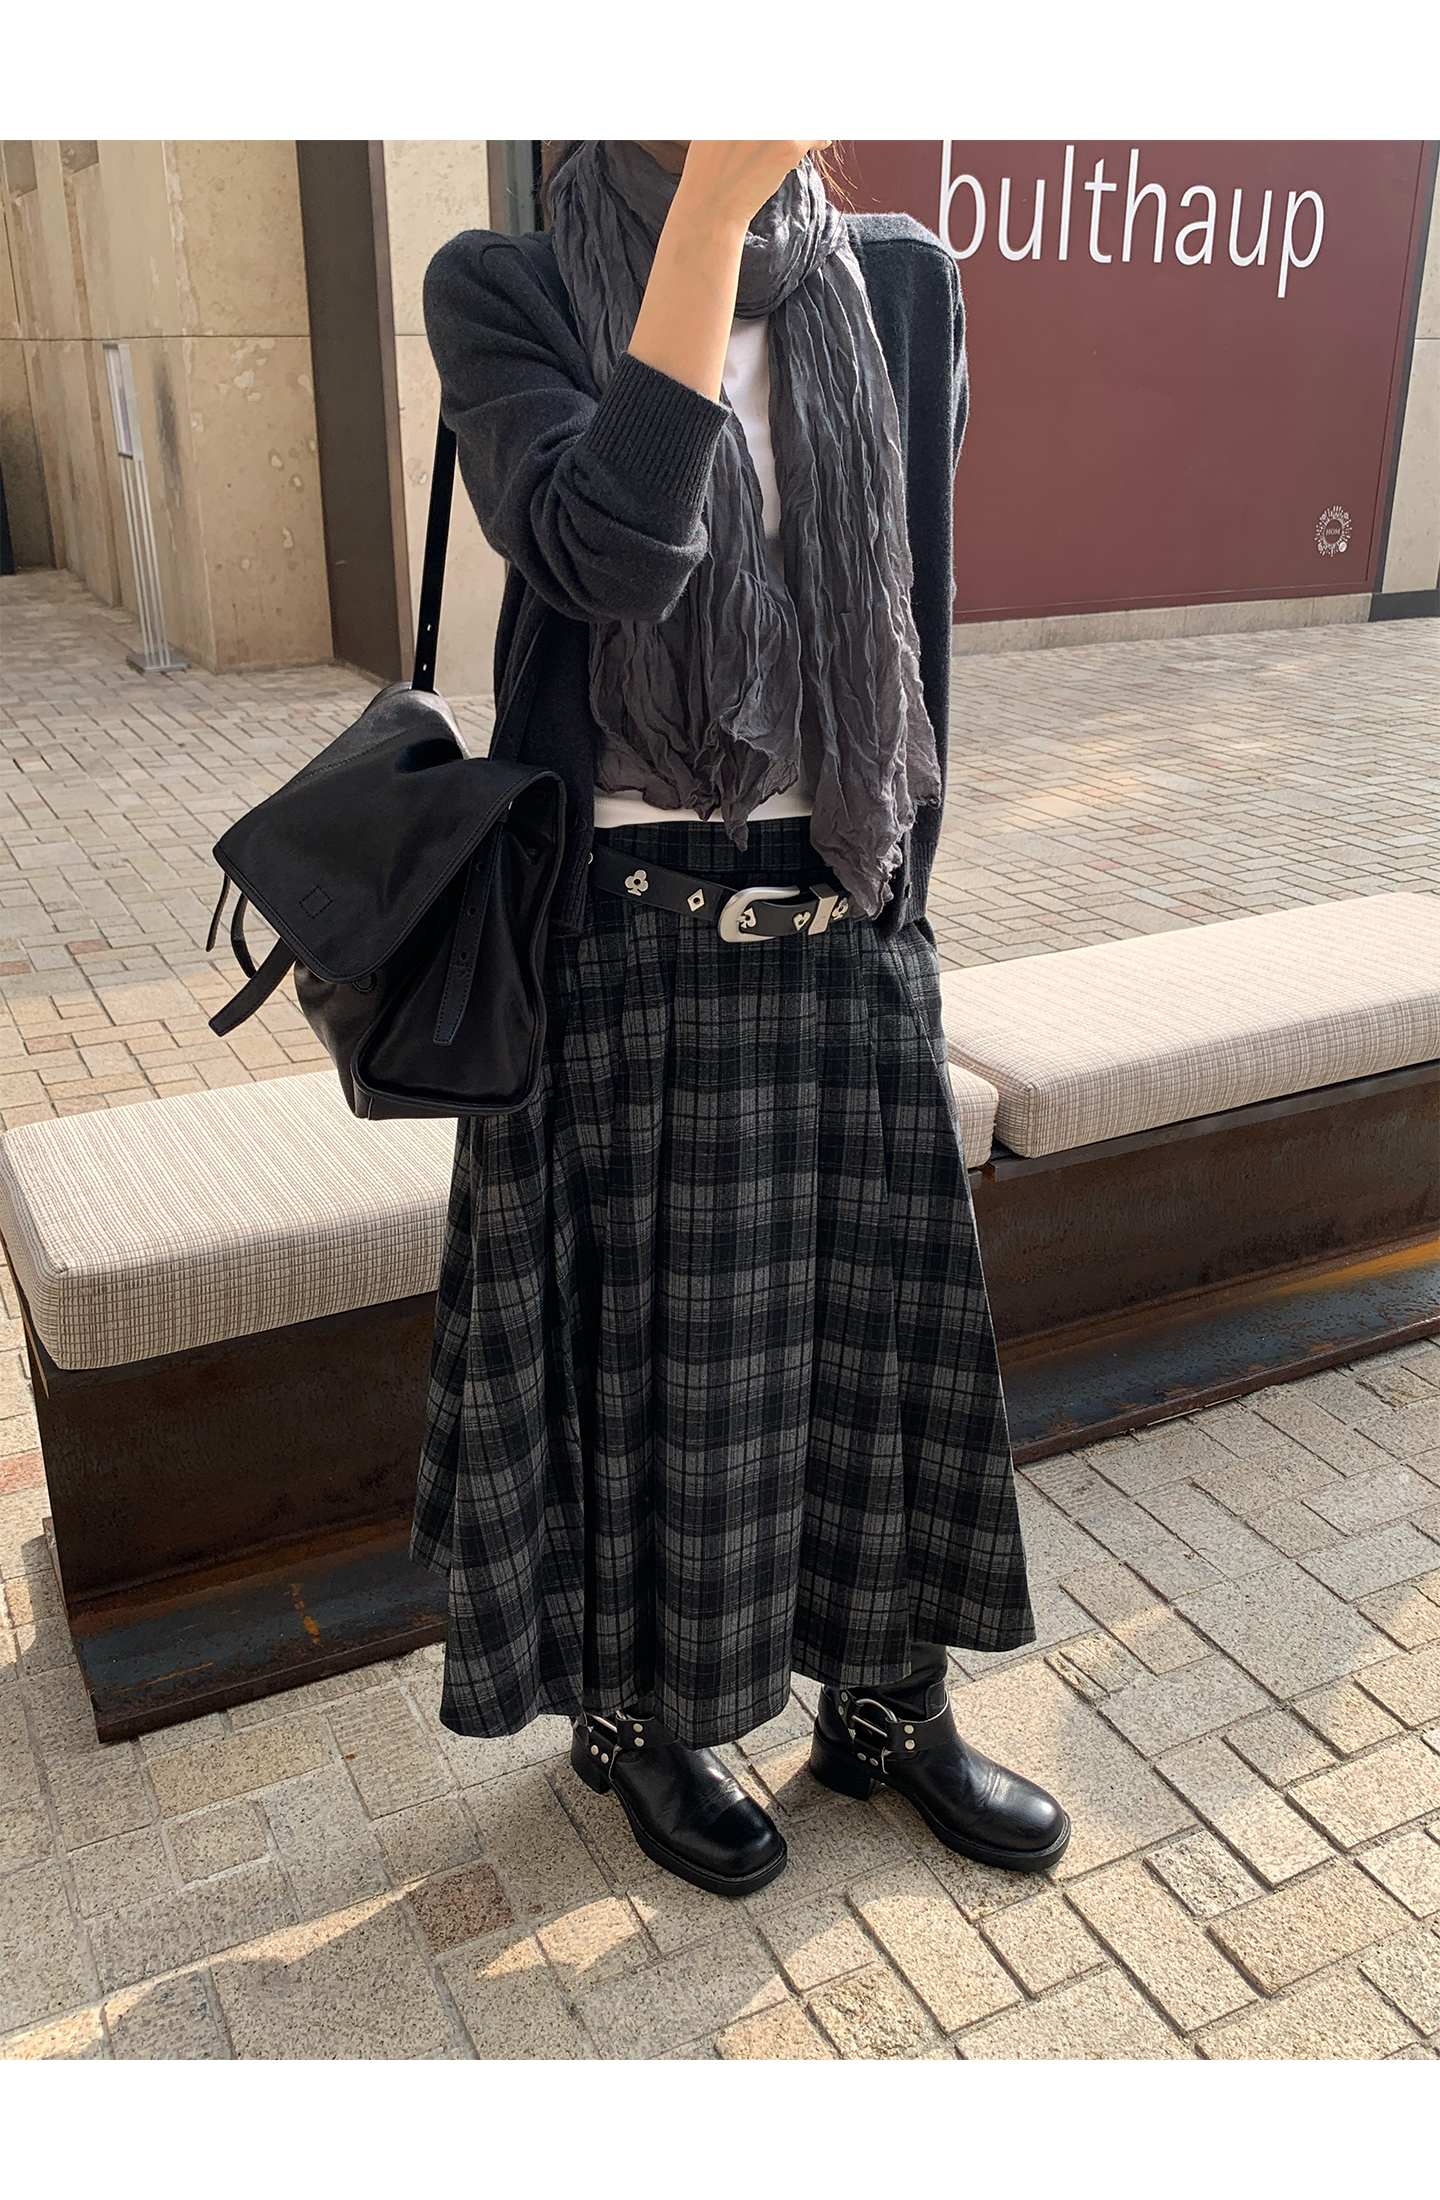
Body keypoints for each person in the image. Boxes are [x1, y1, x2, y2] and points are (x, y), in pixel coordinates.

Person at [414, 139, 1070, 1898]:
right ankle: (640, 1715)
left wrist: (903, 869)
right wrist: (706, 214)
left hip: (843, 886)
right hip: (623, 924)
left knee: (879, 1337)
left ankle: (886, 1704)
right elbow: (611, 556)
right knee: (653, 1367)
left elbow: (901, 599)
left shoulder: (904, 280)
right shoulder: (505, 287)